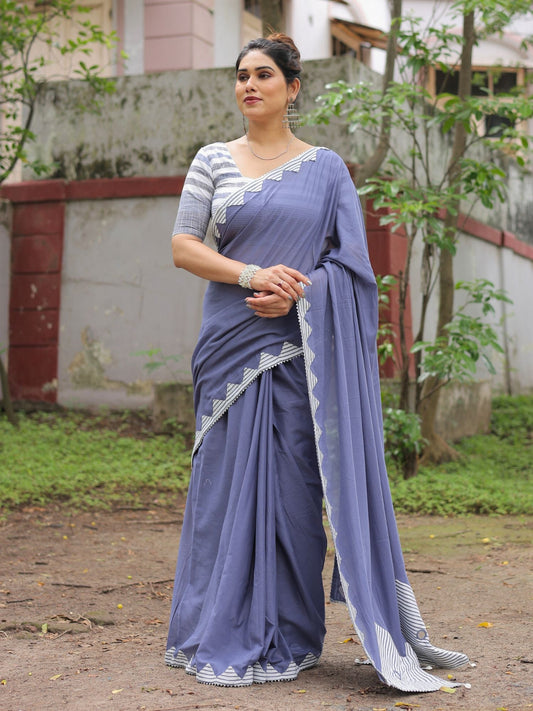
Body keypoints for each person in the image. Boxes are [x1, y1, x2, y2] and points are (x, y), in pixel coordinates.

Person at [165, 33, 469, 691]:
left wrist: (298, 293)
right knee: (224, 492)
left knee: (293, 495)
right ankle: (216, 624)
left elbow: (351, 268)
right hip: (229, 348)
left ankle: (292, 633)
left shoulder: (326, 169)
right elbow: (184, 247)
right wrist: (252, 274)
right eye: (241, 75)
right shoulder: (212, 160)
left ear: (293, 87)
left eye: (263, 74)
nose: (249, 85)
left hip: (298, 352)